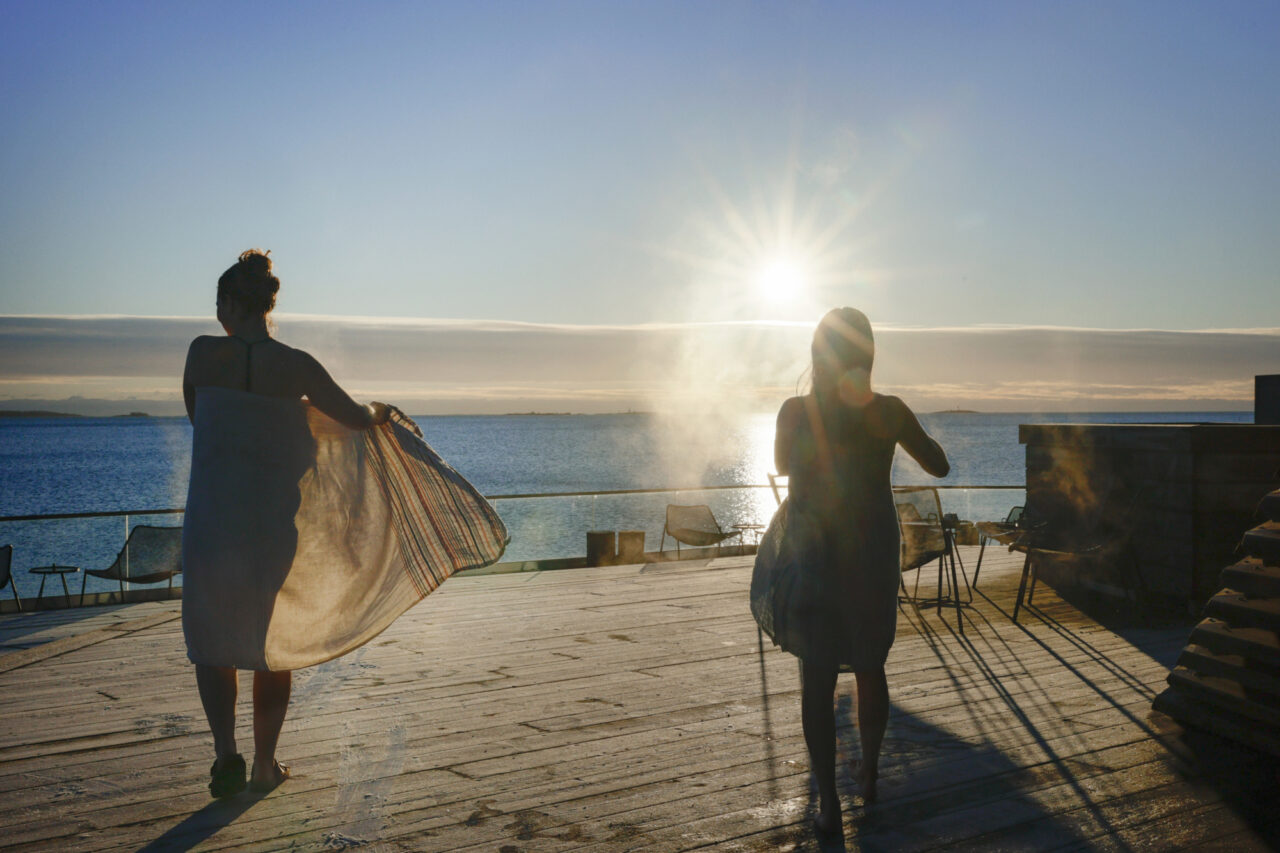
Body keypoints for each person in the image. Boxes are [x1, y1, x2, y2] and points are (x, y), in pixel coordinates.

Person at [182, 249, 391, 798]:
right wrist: (381, 412)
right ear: (268, 306)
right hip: (269, 529)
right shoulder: (298, 366)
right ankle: (264, 766)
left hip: (210, 525)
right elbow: (356, 418)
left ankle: (226, 754)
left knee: (213, 643)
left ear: (231, 302)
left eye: (218, 303)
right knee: (268, 644)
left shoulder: (201, 354)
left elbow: (199, 418)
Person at [765, 308, 948, 834]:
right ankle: (867, 772)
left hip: (817, 550)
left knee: (816, 677)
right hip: (871, 550)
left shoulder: (795, 411)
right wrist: (908, 429)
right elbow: (939, 465)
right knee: (871, 664)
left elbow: (782, 463)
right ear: (868, 354)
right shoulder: (889, 410)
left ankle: (829, 801)